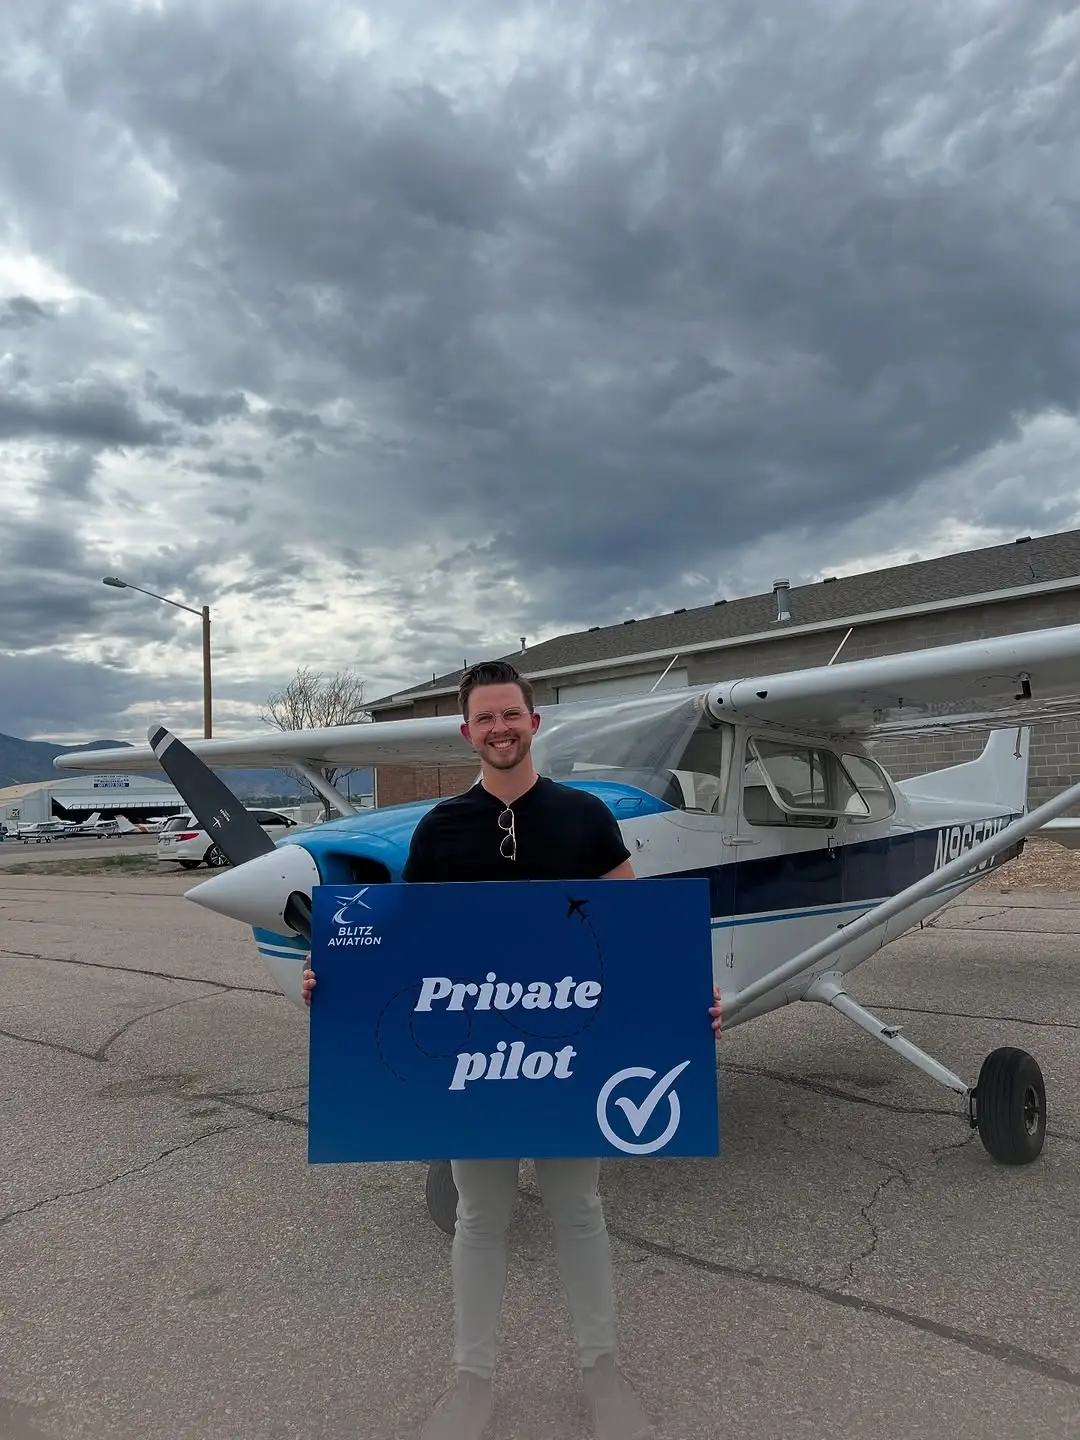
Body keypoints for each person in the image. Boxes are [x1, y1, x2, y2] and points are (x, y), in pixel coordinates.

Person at [302, 659, 722, 1440]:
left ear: (534, 724)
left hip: (572, 1059)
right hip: (476, 1064)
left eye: (511, 715)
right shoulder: (438, 830)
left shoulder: (586, 818)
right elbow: (402, 947)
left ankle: (602, 1372)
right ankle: (471, 1381)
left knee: (579, 1210)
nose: (499, 728)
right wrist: (333, 981)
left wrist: (686, 1004)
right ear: (468, 733)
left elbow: (636, 937)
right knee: (479, 1217)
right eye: (485, 719)